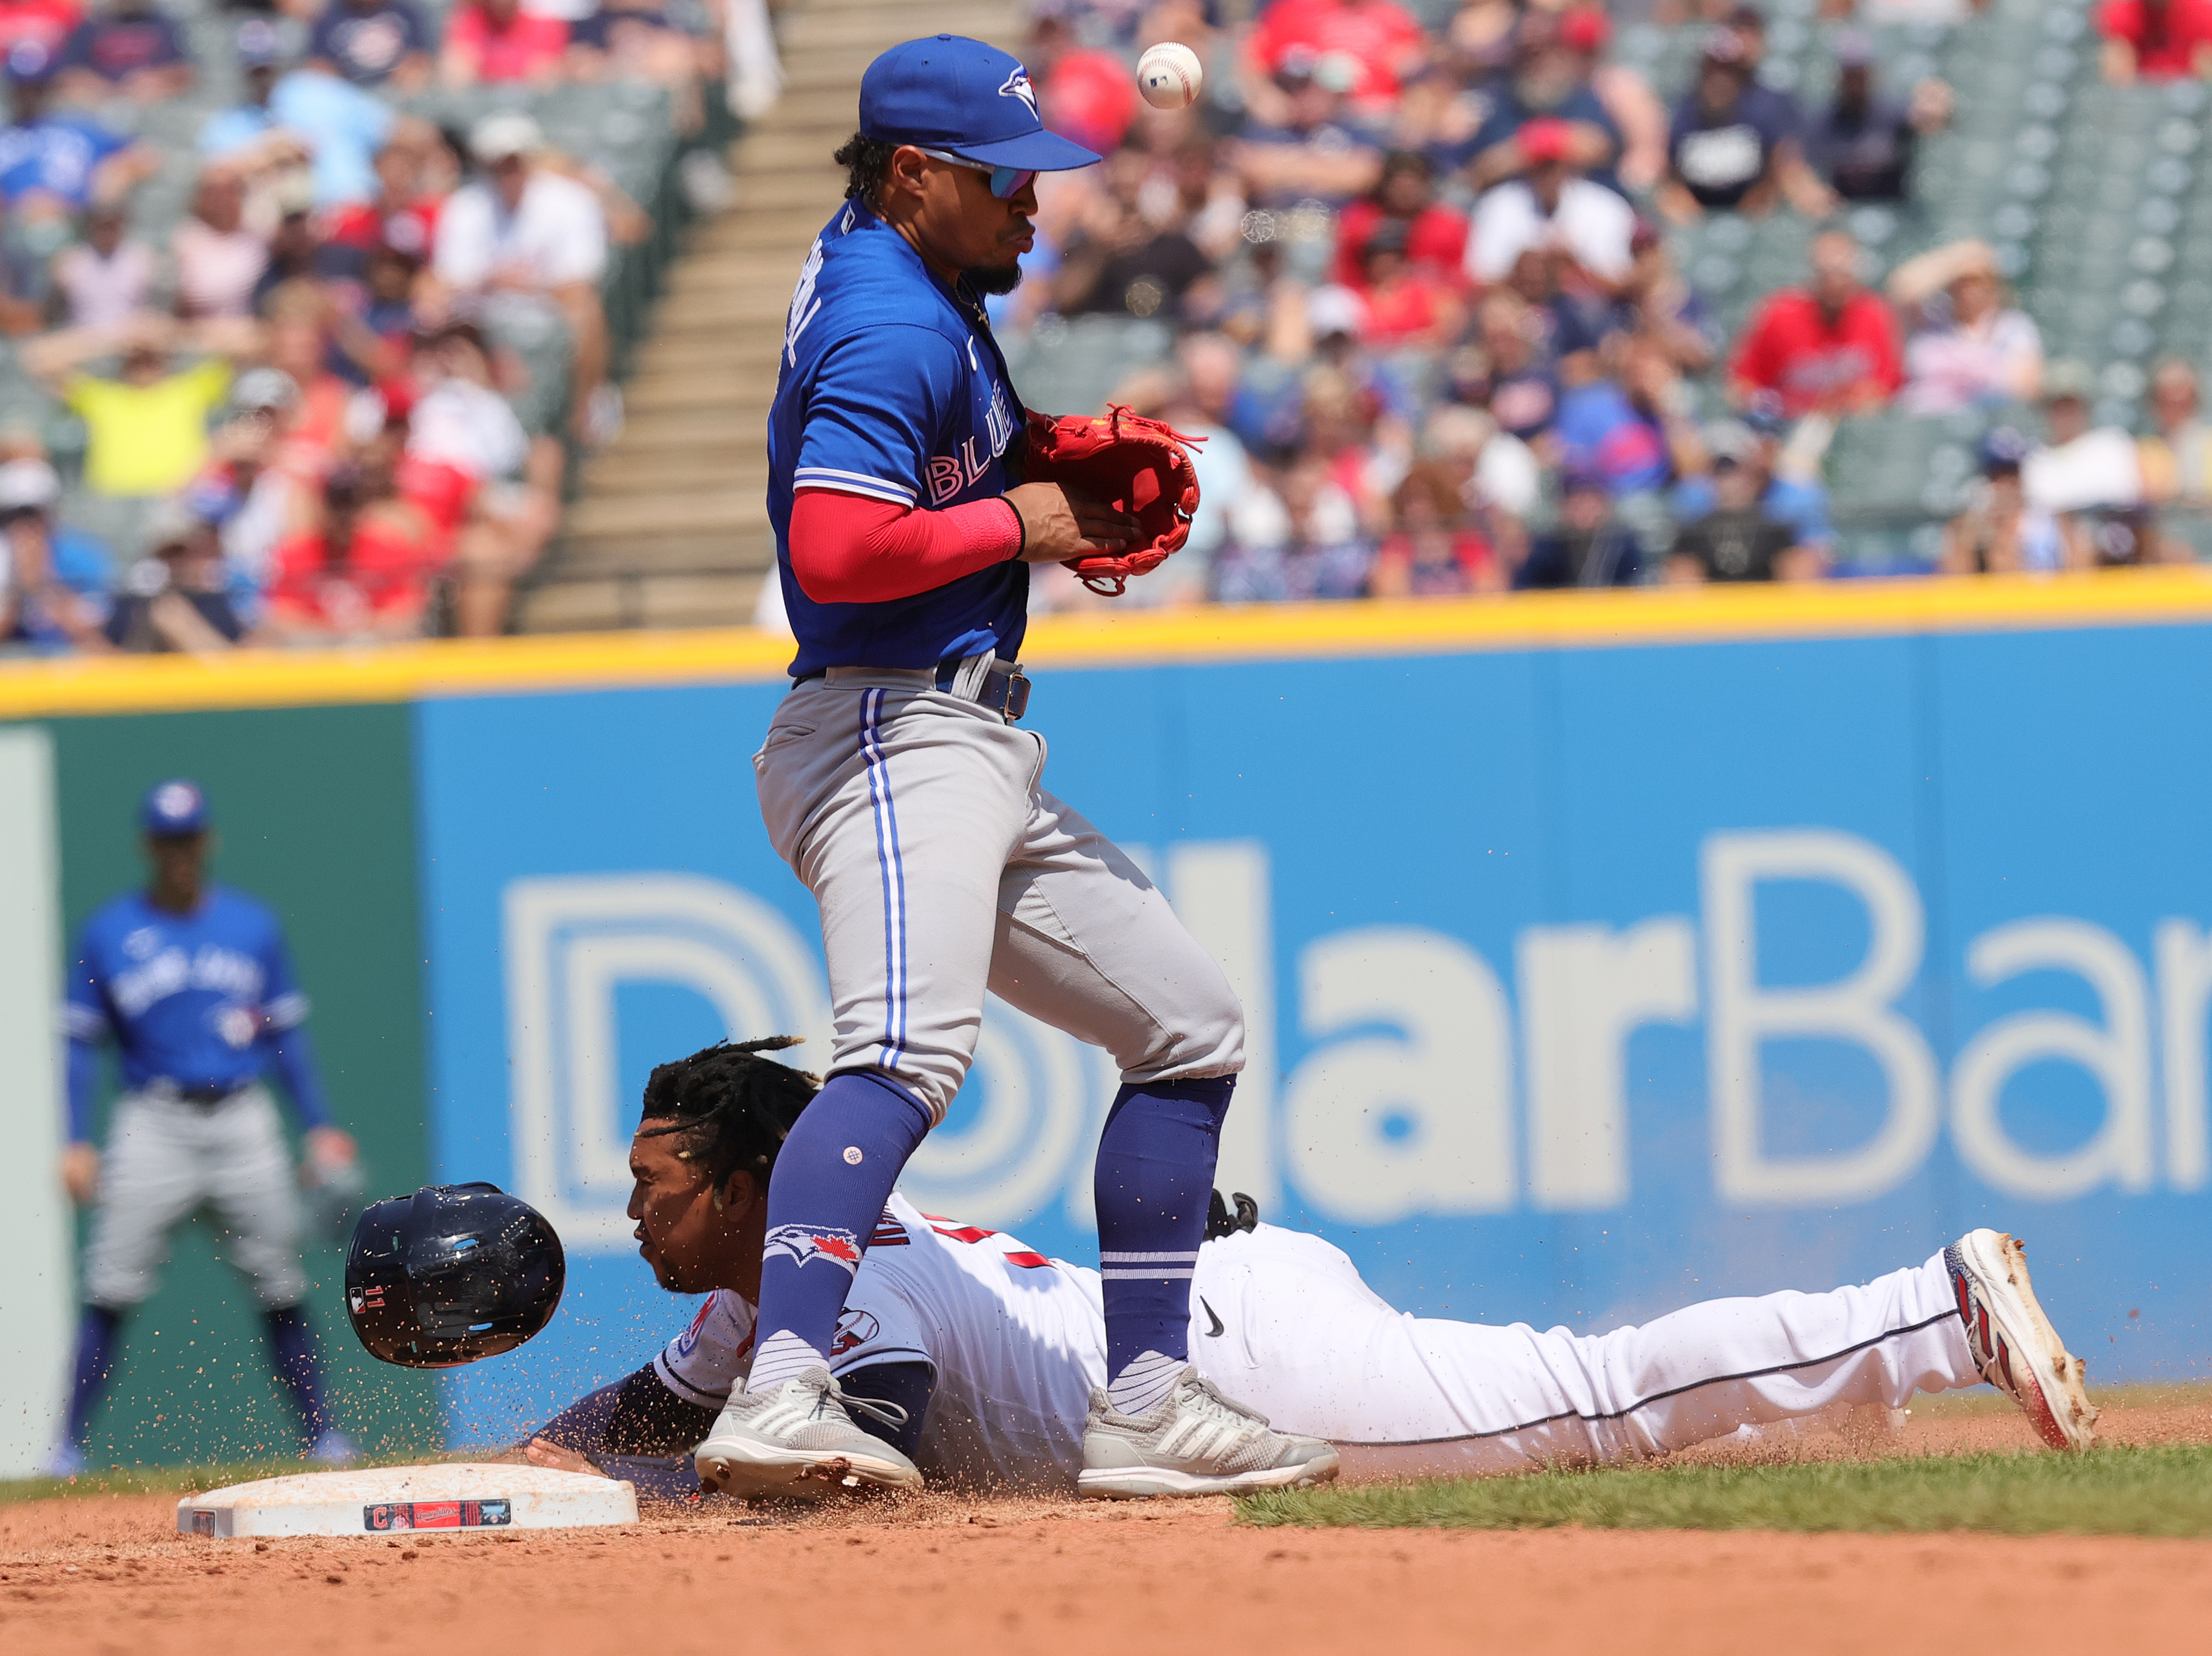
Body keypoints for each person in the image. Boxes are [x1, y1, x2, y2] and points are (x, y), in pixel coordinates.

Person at [725, 35, 1336, 1504]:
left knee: (1188, 1025)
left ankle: (1142, 1399)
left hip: (963, 735)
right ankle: (784, 1383)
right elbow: (833, 548)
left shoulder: (896, 264)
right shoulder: (897, 317)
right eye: (1004, 178)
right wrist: (1031, 521)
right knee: (901, 1055)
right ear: (914, 171)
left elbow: (918, 462)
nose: (1034, 203)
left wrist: (1031, 454)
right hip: (885, 723)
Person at [508, 1039, 2097, 1500]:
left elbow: (882, 1428)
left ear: (747, 1186)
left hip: (1242, 1369)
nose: (632, 1212)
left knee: (1590, 1403)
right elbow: (656, 1408)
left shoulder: (841, 1284)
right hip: (1211, 1309)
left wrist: (690, 1491)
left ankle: (1930, 1310)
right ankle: (1909, 1335)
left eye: (654, 1183)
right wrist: (548, 1462)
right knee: (1576, 1395)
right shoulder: (755, 1305)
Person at [49, 780, 360, 1476]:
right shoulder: (109, 931)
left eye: (189, 837)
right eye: (167, 838)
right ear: (147, 845)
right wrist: (74, 1136)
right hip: (151, 1120)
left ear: (208, 840)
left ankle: (325, 1436)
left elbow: (288, 1039)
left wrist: (318, 1126)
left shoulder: (253, 926)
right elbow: (79, 1044)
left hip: (243, 1117)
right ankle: (66, 1447)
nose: (180, 851)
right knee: (109, 1283)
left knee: (279, 1280)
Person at [429, 113, 610, 445]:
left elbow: (579, 286)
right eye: (499, 164)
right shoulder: (466, 207)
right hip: (482, 322)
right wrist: (494, 283)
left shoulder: (568, 202)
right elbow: (445, 283)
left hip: (548, 316)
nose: (507, 173)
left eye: (513, 162)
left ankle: (587, 405)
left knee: (588, 314)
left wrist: (519, 285)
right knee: (433, 316)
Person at [1657, 28, 1834, 222]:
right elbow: (1671, 174)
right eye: (1713, 68)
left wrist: (1761, 198)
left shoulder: (1762, 110)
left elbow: (1780, 164)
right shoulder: (1683, 113)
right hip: (1698, 211)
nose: (1720, 78)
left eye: (1728, 70)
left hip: (1754, 210)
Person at [1728, 230, 1902, 418]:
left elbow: (1886, 388)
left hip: (1853, 426)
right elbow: (1743, 385)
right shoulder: (1779, 314)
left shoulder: (1874, 313)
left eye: (1841, 272)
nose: (1834, 283)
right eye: (1826, 272)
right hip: (1788, 424)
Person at [1465, 116, 1636, 288]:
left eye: (1554, 165)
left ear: (1569, 164)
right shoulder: (1498, 205)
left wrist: (1573, 262)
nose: (1547, 174)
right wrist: (1525, 267)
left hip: (1586, 308)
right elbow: (1479, 279)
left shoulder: (1605, 206)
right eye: (1540, 166)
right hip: (1519, 305)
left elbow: (1622, 281)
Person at [1889, 239, 2043, 413]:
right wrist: (1957, 258)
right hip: (1922, 424)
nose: (1968, 288)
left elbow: (2026, 388)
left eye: (1977, 280)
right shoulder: (1932, 319)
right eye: (1961, 280)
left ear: (1993, 284)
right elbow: (1900, 289)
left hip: (1982, 425)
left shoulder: (2013, 328)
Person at [1803, 30, 1949, 203]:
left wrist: (1936, 105)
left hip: (1894, 210)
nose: (1855, 82)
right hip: (1841, 211)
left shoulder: (1893, 113)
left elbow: (1932, 122)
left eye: (1860, 74)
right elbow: (1805, 168)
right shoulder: (1821, 121)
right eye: (1850, 75)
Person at [1668, 432, 1826, 582]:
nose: (1728, 479)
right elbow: (1683, 590)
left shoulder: (1776, 528)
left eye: (1733, 468)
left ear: (1753, 473)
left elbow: (1799, 584)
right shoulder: (1694, 532)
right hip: (1714, 608)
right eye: (1719, 470)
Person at [0, 454, 109, 649]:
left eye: (32, 514)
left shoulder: (81, 556)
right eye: (12, 515)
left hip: (71, 664)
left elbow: (93, 635)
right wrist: (17, 590)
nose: (24, 526)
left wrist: (42, 586)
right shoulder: (4, 556)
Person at [1940, 426, 2077, 572]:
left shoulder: (2051, 518)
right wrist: (1976, 537)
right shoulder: (1969, 525)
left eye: (2013, 473)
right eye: (1998, 476)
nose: (2007, 484)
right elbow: (1956, 579)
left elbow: (2081, 569)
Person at [1518, 467, 1642, 586]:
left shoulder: (1622, 543)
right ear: (1563, 506)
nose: (1584, 512)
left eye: (1591, 503)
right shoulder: (1547, 546)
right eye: (1576, 503)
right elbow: (1526, 590)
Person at [55, 0, 191, 104]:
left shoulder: (165, 25)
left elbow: (186, 72)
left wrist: (155, 80)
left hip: (151, 104)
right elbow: (67, 73)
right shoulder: (90, 25)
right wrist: (103, 89)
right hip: (98, 103)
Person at [51, 200, 153, 329]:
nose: (107, 233)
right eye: (101, 227)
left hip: (128, 336)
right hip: (83, 334)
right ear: (91, 227)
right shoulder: (72, 261)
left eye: (111, 227)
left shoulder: (140, 258)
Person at [306, 0, 432, 91]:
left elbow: (420, 60)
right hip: (351, 93)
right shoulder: (328, 17)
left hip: (398, 90)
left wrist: (410, 71)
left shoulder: (406, 11)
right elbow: (319, 66)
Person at [439, 0, 568, 88]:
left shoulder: (546, 25)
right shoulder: (467, 22)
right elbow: (458, 72)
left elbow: (545, 76)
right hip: (480, 109)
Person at [2098, 0, 2212, 82]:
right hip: (2143, 102)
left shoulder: (2202, 14)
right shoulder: (2121, 14)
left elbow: (2206, 76)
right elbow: (2117, 79)